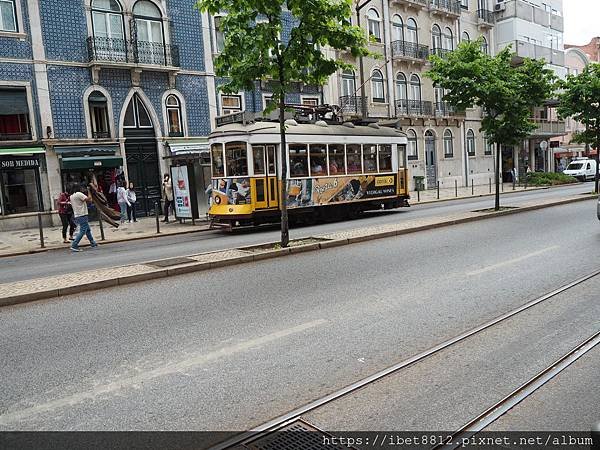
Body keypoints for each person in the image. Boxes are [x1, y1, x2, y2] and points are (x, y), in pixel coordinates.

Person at [70, 185, 97, 252]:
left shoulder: (72, 196)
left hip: (78, 214)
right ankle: (74, 245)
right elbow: (89, 199)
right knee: (83, 230)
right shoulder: (79, 194)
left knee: (87, 229)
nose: (82, 189)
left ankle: (92, 242)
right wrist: (88, 190)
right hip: (82, 214)